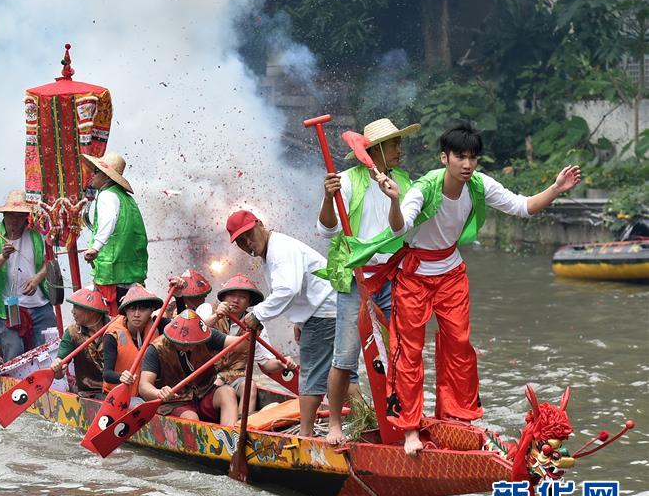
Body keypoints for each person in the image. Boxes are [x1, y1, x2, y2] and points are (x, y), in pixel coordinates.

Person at [368, 122, 582, 456]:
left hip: (451, 272)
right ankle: (409, 428)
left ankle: (458, 418)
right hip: (414, 275)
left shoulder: (479, 185)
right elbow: (400, 227)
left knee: (460, 347)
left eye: (472, 157)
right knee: (408, 351)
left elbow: (522, 207)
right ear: (445, 158)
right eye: (460, 157)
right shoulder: (424, 188)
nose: (467, 164)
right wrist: (395, 201)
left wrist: (556, 188)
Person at [316, 118, 415, 444]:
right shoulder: (346, 180)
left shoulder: (402, 180)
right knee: (345, 357)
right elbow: (327, 230)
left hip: (391, 277)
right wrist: (328, 198)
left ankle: (403, 422)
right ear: (376, 150)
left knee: (399, 353)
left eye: (399, 143)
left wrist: (395, 198)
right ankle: (335, 425)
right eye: (394, 144)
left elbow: (408, 228)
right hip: (356, 280)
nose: (400, 149)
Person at [227, 210, 337, 437]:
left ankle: (305, 437)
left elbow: (288, 289)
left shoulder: (279, 250)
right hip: (325, 310)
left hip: (323, 312)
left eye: (249, 235)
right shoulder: (272, 252)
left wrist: (257, 314)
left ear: (260, 224)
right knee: (341, 371)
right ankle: (363, 421)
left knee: (310, 376)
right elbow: (298, 287)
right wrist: (301, 320)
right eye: (240, 241)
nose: (247, 243)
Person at [0, 190, 58, 362]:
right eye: (11, 215)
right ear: (4, 215)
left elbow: (51, 261)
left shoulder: (37, 232)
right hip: (9, 307)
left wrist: (37, 279)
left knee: (48, 355)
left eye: (19, 216)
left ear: (26, 217)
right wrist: (3, 256)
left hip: (40, 304)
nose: (14, 220)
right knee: (14, 356)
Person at [208, 273, 298, 413]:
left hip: (234, 376)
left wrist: (281, 362)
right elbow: (193, 332)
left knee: (249, 386)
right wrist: (216, 317)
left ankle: (244, 422)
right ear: (224, 297)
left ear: (249, 302)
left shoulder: (255, 325)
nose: (236, 300)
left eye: (242, 297)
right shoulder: (208, 310)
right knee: (217, 387)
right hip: (205, 377)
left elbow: (266, 364)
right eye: (232, 295)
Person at [139, 309, 244, 424]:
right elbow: (144, 385)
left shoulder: (205, 335)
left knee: (227, 393)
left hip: (204, 392)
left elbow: (241, 345)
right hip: (176, 401)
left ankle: (230, 433)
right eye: (183, 344)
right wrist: (158, 393)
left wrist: (253, 324)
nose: (190, 347)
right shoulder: (156, 349)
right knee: (190, 417)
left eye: (193, 343)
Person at [82, 152, 148, 314]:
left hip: (112, 275)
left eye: (96, 171)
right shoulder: (127, 199)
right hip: (133, 274)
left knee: (113, 322)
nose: (92, 175)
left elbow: (109, 220)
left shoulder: (107, 195)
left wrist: (95, 247)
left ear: (107, 176)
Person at [101, 284, 167, 397]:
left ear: (151, 310)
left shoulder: (157, 324)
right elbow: (107, 374)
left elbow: (182, 327)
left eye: (142, 309)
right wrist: (121, 377)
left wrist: (179, 297)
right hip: (118, 396)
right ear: (125, 311)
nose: (136, 314)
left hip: (148, 393)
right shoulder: (113, 335)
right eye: (132, 309)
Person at [48, 288, 110, 398]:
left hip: (115, 391)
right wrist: (56, 368)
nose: (72, 311)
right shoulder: (72, 333)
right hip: (88, 394)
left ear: (91, 310)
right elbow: (59, 374)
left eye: (76, 307)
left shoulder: (115, 328)